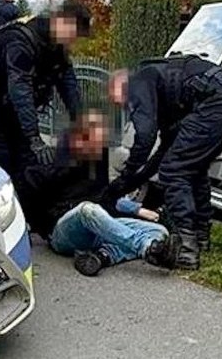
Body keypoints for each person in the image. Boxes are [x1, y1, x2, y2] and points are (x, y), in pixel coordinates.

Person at [100, 56, 222, 271]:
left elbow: (146, 136)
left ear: (119, 83)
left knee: (175, 171)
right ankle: (200, 237)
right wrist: (126, 185)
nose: (123, 107)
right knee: (193, 168)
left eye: (116, 99)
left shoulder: (138, 83)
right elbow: (163, 151)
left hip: (218, 101)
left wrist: (128, 172)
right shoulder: (163, 90)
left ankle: (186, 249)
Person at [24, 110, 179, 277]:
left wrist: (136, 210)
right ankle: (147, 249)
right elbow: (32, 195)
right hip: (63, 231)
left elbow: (105, 197)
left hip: (97, 227)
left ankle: (102, 257)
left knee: (159, 231)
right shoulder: (52, 160)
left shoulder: (96, 163)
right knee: (87, 210)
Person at [0, 0, 90, 181]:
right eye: (74, 36)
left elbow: (67, 82)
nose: (73, 43)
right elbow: (20, 88)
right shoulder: (21, 40)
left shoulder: (57, 45)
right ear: (63, 23)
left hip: (1, 95)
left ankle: (23, 199)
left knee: (25, 158)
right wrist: (34, 138)